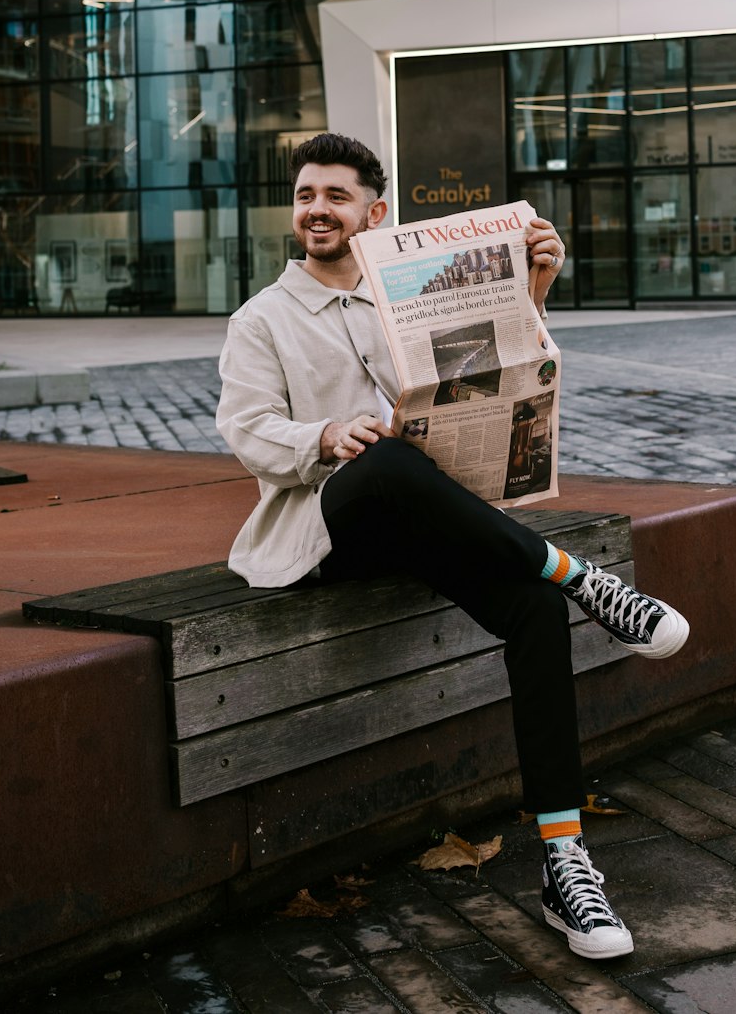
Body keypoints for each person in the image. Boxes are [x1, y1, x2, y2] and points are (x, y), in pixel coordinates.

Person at [217, 132, 690, 961]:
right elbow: (248, 432)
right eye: (304, 196)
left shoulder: (413, 292)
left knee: (537, 614)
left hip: (434, 519)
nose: (316, 210)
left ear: (375, 212)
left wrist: (532, 294)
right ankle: (584, 577)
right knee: (386, 459)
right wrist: (327, 434)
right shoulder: (262, 319)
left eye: (334, 196)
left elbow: (506, 385)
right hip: (331, 529)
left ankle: (564, 861)